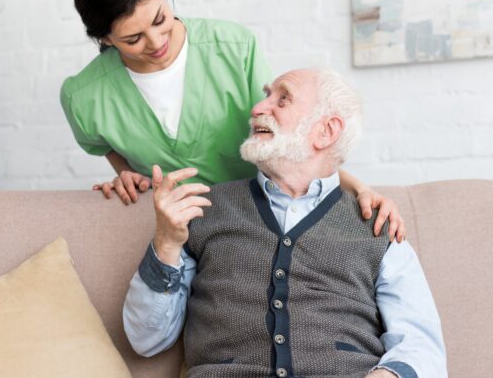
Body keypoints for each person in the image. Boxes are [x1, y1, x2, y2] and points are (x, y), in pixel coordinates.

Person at [61, 0, 405, 241]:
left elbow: (286, 139)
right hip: (180, 234)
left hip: (260, 221)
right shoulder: (84, 96)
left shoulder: (234, 48)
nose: (156, 42)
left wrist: (359, 188)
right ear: (104, 39)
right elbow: (103, 143)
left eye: (160, 19)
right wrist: (126, 173)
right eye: (133, 39)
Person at [123, 69, 447, 378]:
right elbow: (146, 340)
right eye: (267, 96)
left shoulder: (379, 226)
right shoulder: (204, 209)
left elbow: (421, 346)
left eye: (282, 99)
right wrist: (165, 245)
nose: (257, 108)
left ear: (326, 131)